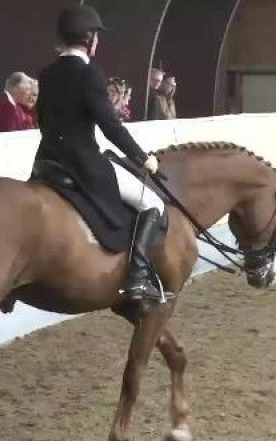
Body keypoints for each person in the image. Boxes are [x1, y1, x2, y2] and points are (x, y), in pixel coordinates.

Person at [33, 4, 174, 303]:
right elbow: (111, 127)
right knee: (153, 203)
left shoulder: (46, 74)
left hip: (45, 163)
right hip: (81, 165)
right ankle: (136, 277)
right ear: (88, 39)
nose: (98, 41)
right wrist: (143, 158)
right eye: (96, 35)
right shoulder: (90, 74)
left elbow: (41, 120)